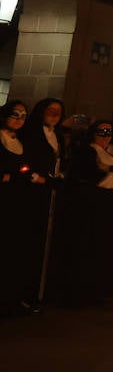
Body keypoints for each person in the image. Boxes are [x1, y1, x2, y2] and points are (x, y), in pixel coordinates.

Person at [61, 120, 113, 304]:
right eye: (101, 132)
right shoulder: (88, 151)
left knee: (105, 247)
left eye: (109, 132)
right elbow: (86, 175)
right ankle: (80, 292)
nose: (105, 136)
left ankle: (99, 290)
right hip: (91, 204)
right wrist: (108, 174)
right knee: (88, 245)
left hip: (110, 204)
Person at [18, 98, 64, 308]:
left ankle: (38, 292)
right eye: (50, 110)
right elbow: (25, 160)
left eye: (58, 111)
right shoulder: (31, 133)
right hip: (32, 192)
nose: (54, 114)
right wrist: (36, 177)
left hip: (49, 192)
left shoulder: (57, 135)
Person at [1, 99, 35, 314]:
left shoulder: (22, 141)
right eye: (15, 114)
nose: (19, 119)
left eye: (23, 116)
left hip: (16, 200)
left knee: (12, 248)